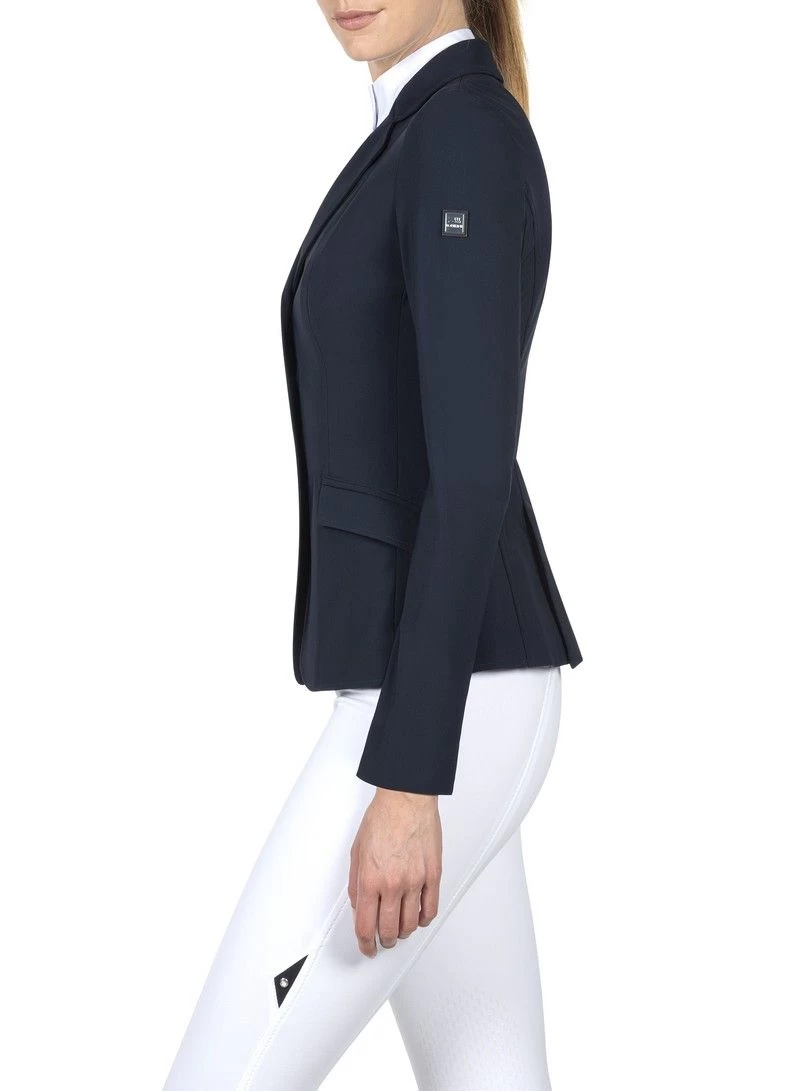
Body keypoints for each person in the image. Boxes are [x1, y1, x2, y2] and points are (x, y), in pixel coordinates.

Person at [163, 2, 582, 1087]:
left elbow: (471, 472)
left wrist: (406, 776)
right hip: (453, 684)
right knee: (489, 1065)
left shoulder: (461, 135)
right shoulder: (424, 128)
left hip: (443, 699)